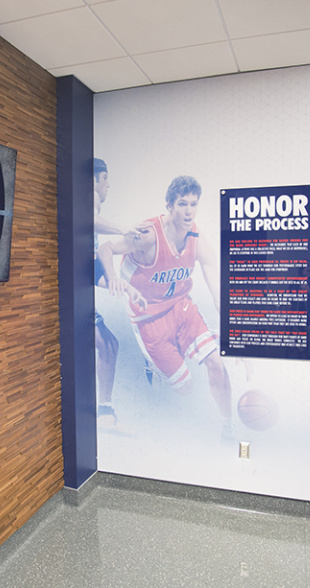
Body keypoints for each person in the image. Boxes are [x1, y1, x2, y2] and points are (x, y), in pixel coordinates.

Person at [97, 175, 234, 440]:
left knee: (215, 363)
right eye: (183, 204)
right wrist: (113, 277)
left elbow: (210, 264)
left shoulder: (194, 233)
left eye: (194, 204)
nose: (189, 210)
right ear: (170, 206)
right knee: (185, 388)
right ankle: (153, 362)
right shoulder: (149, 235)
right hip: (150, 321)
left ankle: (229, 426)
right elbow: (105, 248)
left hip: (182, 309)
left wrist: (222, 305)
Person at [93, 158, 145, 428]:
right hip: (61, 295)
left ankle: (104, 410)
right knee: (106, 344)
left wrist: (125, 287)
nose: (108, 184)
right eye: (105, 178)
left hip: (75, 288)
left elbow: (90, 270)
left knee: (110, 344)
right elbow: (90, 219)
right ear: (94, 180)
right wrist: (121, 228)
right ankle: (102, 411)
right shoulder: (89, 200)